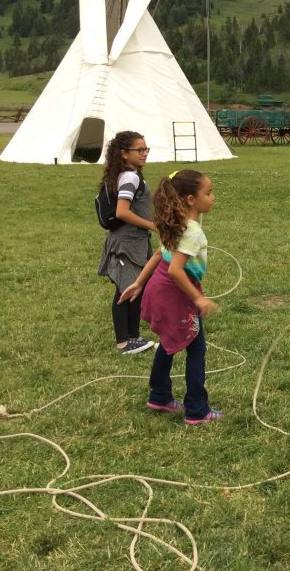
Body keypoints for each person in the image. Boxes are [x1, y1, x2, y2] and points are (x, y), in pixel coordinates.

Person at [119, 169, 223, 424]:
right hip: (175, 293)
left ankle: (160, 396)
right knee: (196, 348)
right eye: (208, 193)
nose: (213, 198)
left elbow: (158, 255)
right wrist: (198, 300)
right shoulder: (192, 231)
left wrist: (138, 283)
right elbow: (176, 270)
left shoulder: (176, 223)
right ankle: (198, 410)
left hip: (159, 287)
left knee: (168, 342)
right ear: (190, 199)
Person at [97, 131, 156, 355]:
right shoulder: (130, 177)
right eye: (139, 150)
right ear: (123, 154)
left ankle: (135, 337)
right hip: (125, 244)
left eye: (146, 149)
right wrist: (151, 225)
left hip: (136, 242)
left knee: (136, 289)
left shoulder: (131, 175)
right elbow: (122, 212)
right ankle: (123, 342)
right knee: (125, 290)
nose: (144, 154)